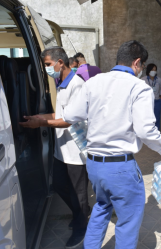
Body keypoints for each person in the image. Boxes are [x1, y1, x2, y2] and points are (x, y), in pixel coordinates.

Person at [20, 41, 161, 249]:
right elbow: (145, 129)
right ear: (137, 63)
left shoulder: (94, 82)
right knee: (128, 221)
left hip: (95, 165)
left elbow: (71, 115)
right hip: (120, 167)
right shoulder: (140, 87)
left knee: (101, 208)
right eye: (143, 65)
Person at [20, 47, 91, 249]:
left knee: (79, 193)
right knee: (59, 185)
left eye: (49, 64)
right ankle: (80, 212)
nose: (47, 69)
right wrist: (40, 118)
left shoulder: (77, 85)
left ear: (61, 62)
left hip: (76, 152)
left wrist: (41, 124)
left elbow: (69, 120)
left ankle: (81, 226)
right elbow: (59, 113)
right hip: (61, 149)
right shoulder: (61, 83)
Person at [143, 63, 161, 130]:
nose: (154, 71)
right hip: (147, 102)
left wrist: (160, 96)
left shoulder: (158, 79)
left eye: (155, 70)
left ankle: (156, 134)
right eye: (152, 69)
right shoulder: (143, 79)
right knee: (148, 118)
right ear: (148, 70)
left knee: (157, 118)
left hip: (157, 101)